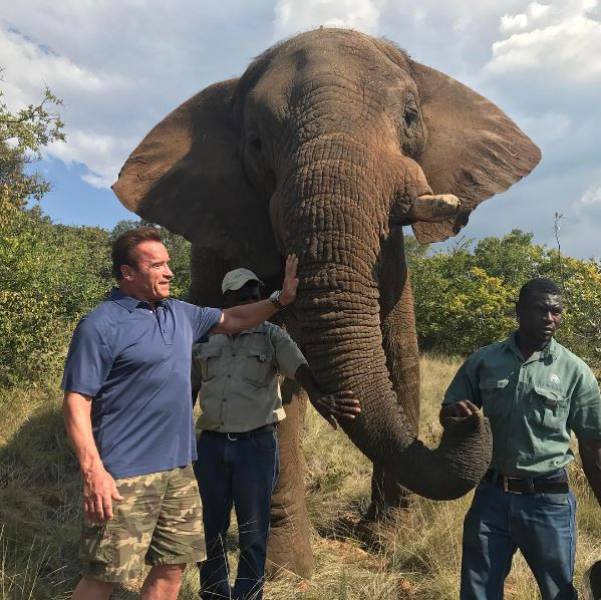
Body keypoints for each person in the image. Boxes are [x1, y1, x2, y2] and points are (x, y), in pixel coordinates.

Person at [62, 227, 303, 600]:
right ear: (128, 272)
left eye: (168, 263)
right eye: (157, 265)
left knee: (173, 566)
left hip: (179, 471)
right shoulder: (101, 325)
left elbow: (234, 319)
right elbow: (77, 401)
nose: (169, 272)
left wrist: (280, 300)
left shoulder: (180, 314)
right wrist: (93, 471)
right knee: (105, 574)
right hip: (124, 474)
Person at [191, 267, 361, 600]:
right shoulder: (205, 337)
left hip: (255, 446)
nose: (252, 301)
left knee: (254, 532)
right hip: (211, 444)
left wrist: (320, 396)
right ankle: (214, 593)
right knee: (209, 528)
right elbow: (190, 388)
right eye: (243, 296)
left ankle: (248, 595)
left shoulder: (272, 336)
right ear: (226, 300)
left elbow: (300, 368)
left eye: (255, 295)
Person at [440, 278, 601, 600]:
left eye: (556, 311)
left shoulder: (575, 370)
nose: (549, 318)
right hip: (491, 496)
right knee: (478, 591)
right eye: (541, 309)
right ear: (518, 311)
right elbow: (448, 411)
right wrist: (455, 416)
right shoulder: (485, 360)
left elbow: (593, 443)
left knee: (558, 592)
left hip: (548, 501)